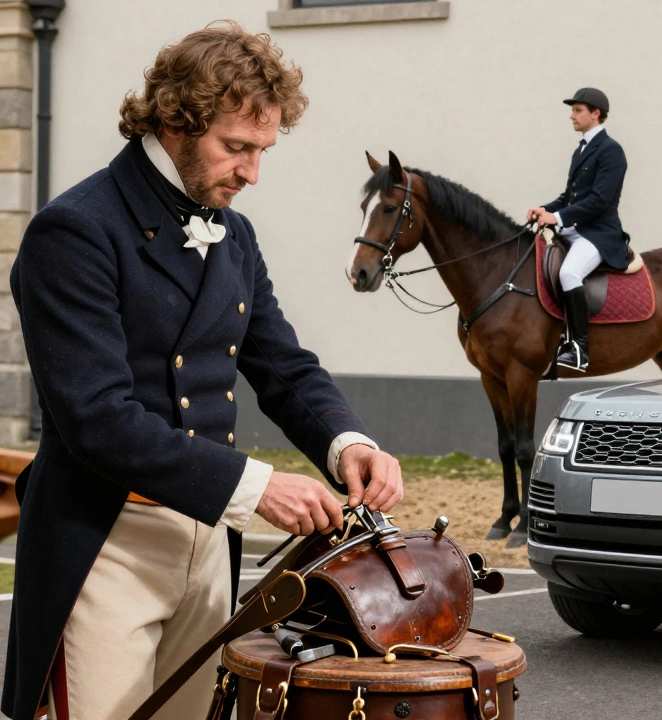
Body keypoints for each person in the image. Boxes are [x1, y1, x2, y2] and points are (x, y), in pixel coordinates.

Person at [2, 22, 404, 720]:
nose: (252, 173)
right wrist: (258, 486)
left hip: (210, 542)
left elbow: (281, 363)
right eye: (237, 148)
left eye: (263, 150)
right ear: (174, 120)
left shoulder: (236, 233)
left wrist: (350, 444)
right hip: (106, 547)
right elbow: (96, 418)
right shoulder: (73, 231)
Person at [527, 88, 630, 371]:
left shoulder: (611, 151)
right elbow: (569, 197)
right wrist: (545, 210)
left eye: (578, 110)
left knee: (569, 272)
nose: (572, 115)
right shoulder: (581, 149)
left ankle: (579, 349)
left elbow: (599, 201)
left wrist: (557, 217)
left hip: (599, 233)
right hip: (576, 228)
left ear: (595, 113)